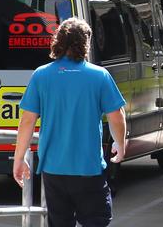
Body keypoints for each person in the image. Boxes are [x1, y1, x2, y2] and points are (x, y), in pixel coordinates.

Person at [13, 17, 127, 227]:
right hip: (88, 167)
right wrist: (120, 144)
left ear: (58, 41)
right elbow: (116, 115)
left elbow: (27, 121)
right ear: (86, 43)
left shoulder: (41, 75)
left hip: (53, 169)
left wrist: (19, 158)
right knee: (96, 220)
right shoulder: (99, 76)